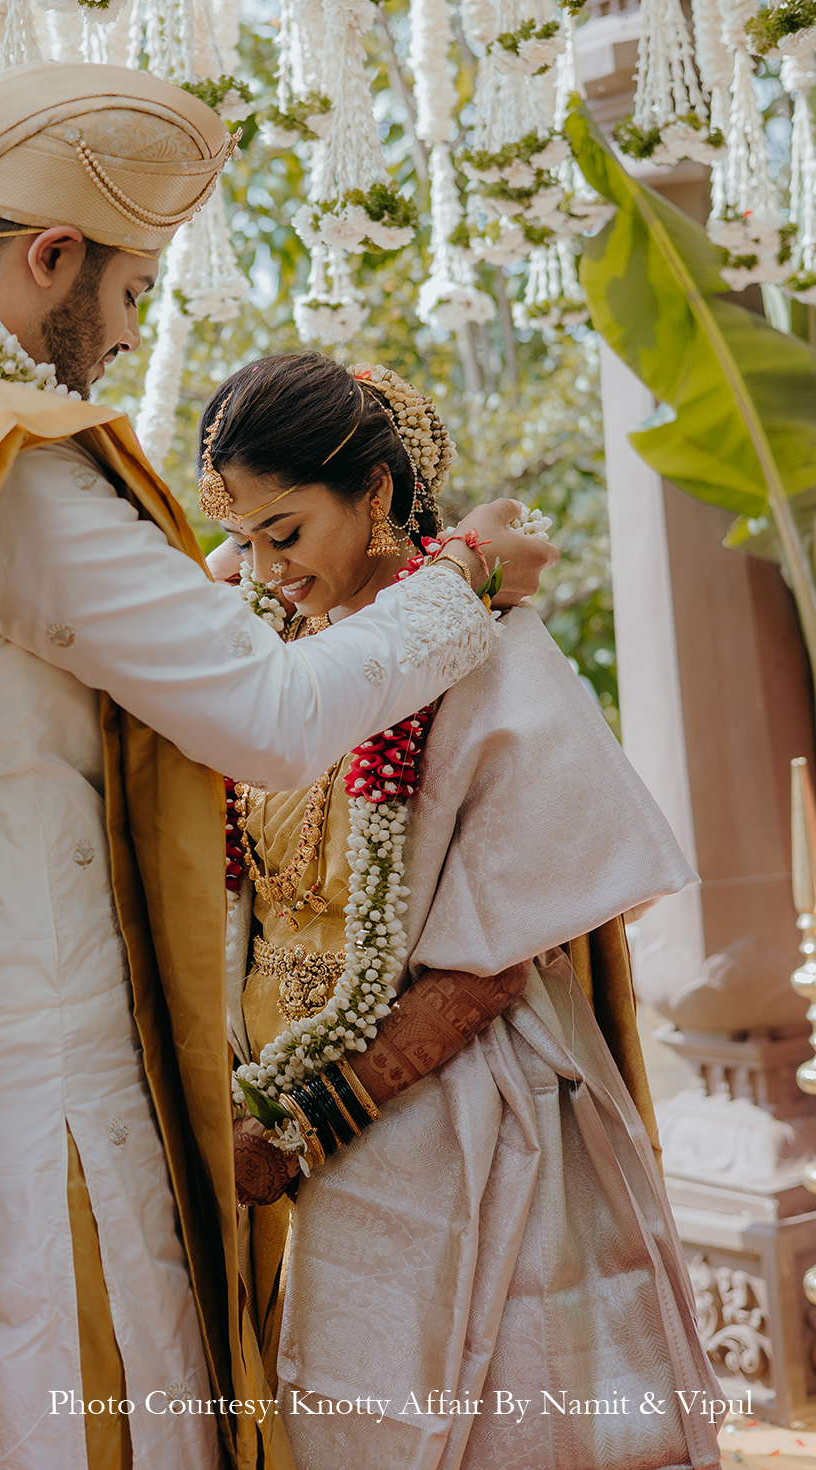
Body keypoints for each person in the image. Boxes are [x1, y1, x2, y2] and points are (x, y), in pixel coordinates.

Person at [0, 63, 557, 1470]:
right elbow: (270, 712)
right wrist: (466, 574)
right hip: (15, 1076)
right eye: (124, 292)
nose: (121, 339)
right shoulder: (12, 467)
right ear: (50, 256)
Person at [198, 351, 721, 1470]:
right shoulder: (275, 656)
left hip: (459, 1123)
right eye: (242, 541)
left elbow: (488, 969)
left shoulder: (485, 655)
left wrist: (303, 1127)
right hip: (271, 1119)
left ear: (374, 494)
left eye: (283, 533)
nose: (261, 568)